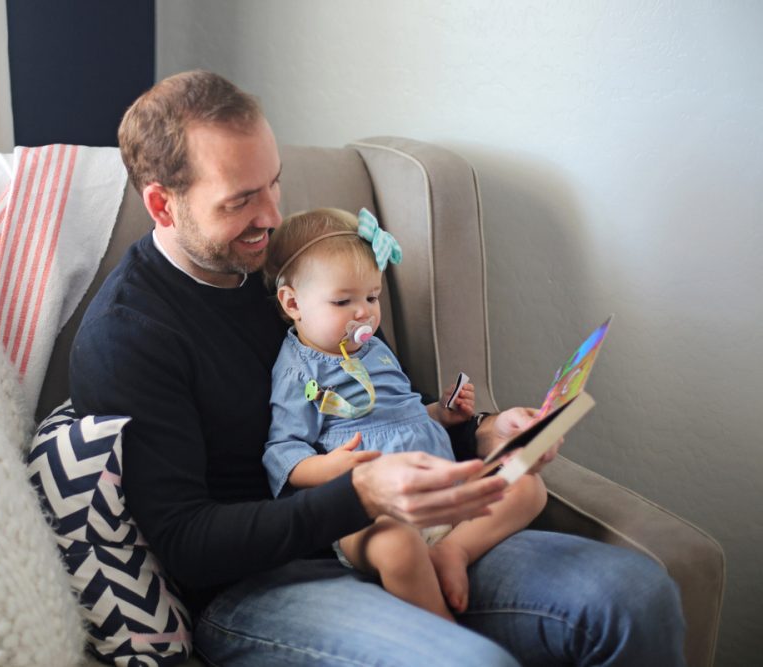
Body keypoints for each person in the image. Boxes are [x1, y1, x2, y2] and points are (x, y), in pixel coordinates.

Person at [70, 69, 686, 665]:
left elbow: (386, 404)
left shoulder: (297, 265)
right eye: (241, 200)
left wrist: (484, 432)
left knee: (636, 595)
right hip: (261, 585)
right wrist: (357, 495)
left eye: (273, 184)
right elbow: (188, 545)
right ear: (161, 204)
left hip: (410, 528)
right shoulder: (129, 335)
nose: (271, 217)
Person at [262, 207, 548, 620]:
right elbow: (282, 450)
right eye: (343, 301)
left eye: (372, 297)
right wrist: (330, 469)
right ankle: (450, 641)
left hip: (437, 487)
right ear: (293, 303)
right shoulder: (297, 370)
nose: (364, 314)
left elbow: (403, 415)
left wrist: (442, 413)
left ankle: (454, 550)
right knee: (397, 547)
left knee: (527, 484)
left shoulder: (375, 350)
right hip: (371, 512)